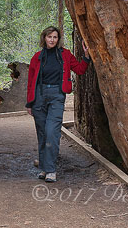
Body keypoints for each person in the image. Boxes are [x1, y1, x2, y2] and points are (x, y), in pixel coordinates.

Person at [25, 26, 91, 183]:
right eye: (49, 37)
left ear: (58, 39)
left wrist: (87, 57)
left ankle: (51, 170)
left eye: (55, 37)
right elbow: (30, 82)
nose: (52, 40)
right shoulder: (37, 57)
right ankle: (43, 168)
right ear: (44, 38)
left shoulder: (66, 55)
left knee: (51, 132)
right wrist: (29, 103)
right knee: (42, 133)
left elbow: (80, 70)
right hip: (39, 97)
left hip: (56, 96)